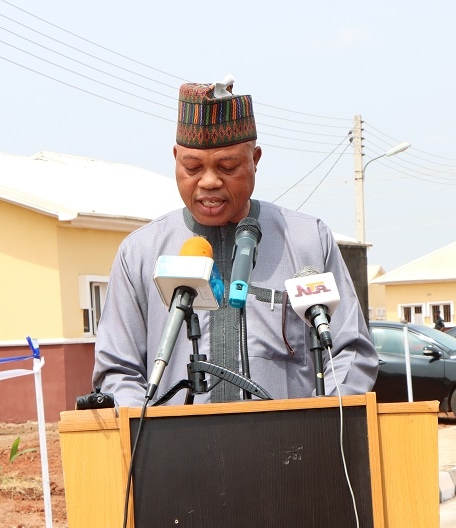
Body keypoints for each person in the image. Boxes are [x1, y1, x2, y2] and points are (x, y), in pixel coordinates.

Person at [92, 77, 379, 407]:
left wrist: (321, 419)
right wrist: (147, 430)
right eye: (193, 167)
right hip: (176, 453)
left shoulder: (307, 240)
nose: (210, 181)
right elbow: (117, 370)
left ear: (255, 160)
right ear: (175, 158)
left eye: (227, 166)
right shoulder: (140, 253)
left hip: (291, 448)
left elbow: (349, 350)